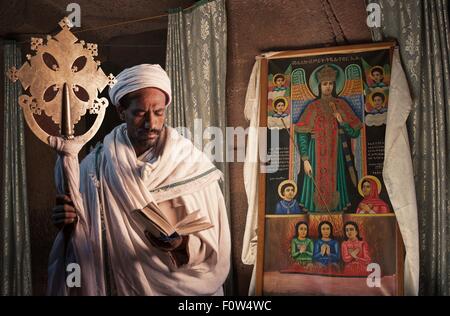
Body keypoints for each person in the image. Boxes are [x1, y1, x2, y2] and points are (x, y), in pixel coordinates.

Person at [49, 64, 231, 296]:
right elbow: (82, 233)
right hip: (123, 286)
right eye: (140, 113)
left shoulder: (191, 164)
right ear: (121, 111)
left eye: (158, 112)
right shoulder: (94, 167)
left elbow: (215, 243)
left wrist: (181, 244)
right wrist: (67, 224)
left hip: (185, 286)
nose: (151, 123)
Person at [295, 65, 362, 212]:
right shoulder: (313, 107)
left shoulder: (341, 105)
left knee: (335, 188)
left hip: (335, 152)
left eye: (331, 83)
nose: (328, 87)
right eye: (325, 84)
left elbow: (355, 133)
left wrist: (342, 122)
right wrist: (305, 159)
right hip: (314, 153)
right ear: (319, 86)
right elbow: (301, 133)